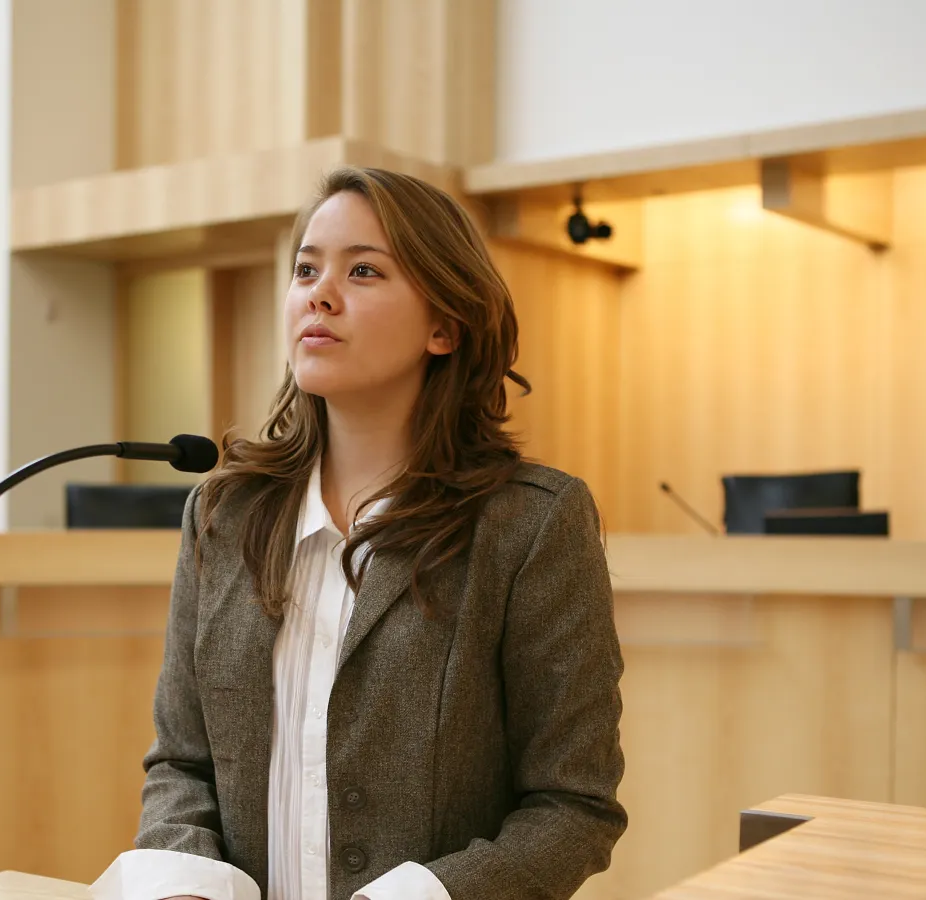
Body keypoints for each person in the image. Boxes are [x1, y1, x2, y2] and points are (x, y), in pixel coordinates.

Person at [94, 167, 625, 900]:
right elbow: (182, 765)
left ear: (445, 325)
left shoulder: (530, 526)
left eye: (364, 270)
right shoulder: (224, 514)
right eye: (306, 269)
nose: (320, 292)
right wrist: (184, 877)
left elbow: (573, 807)